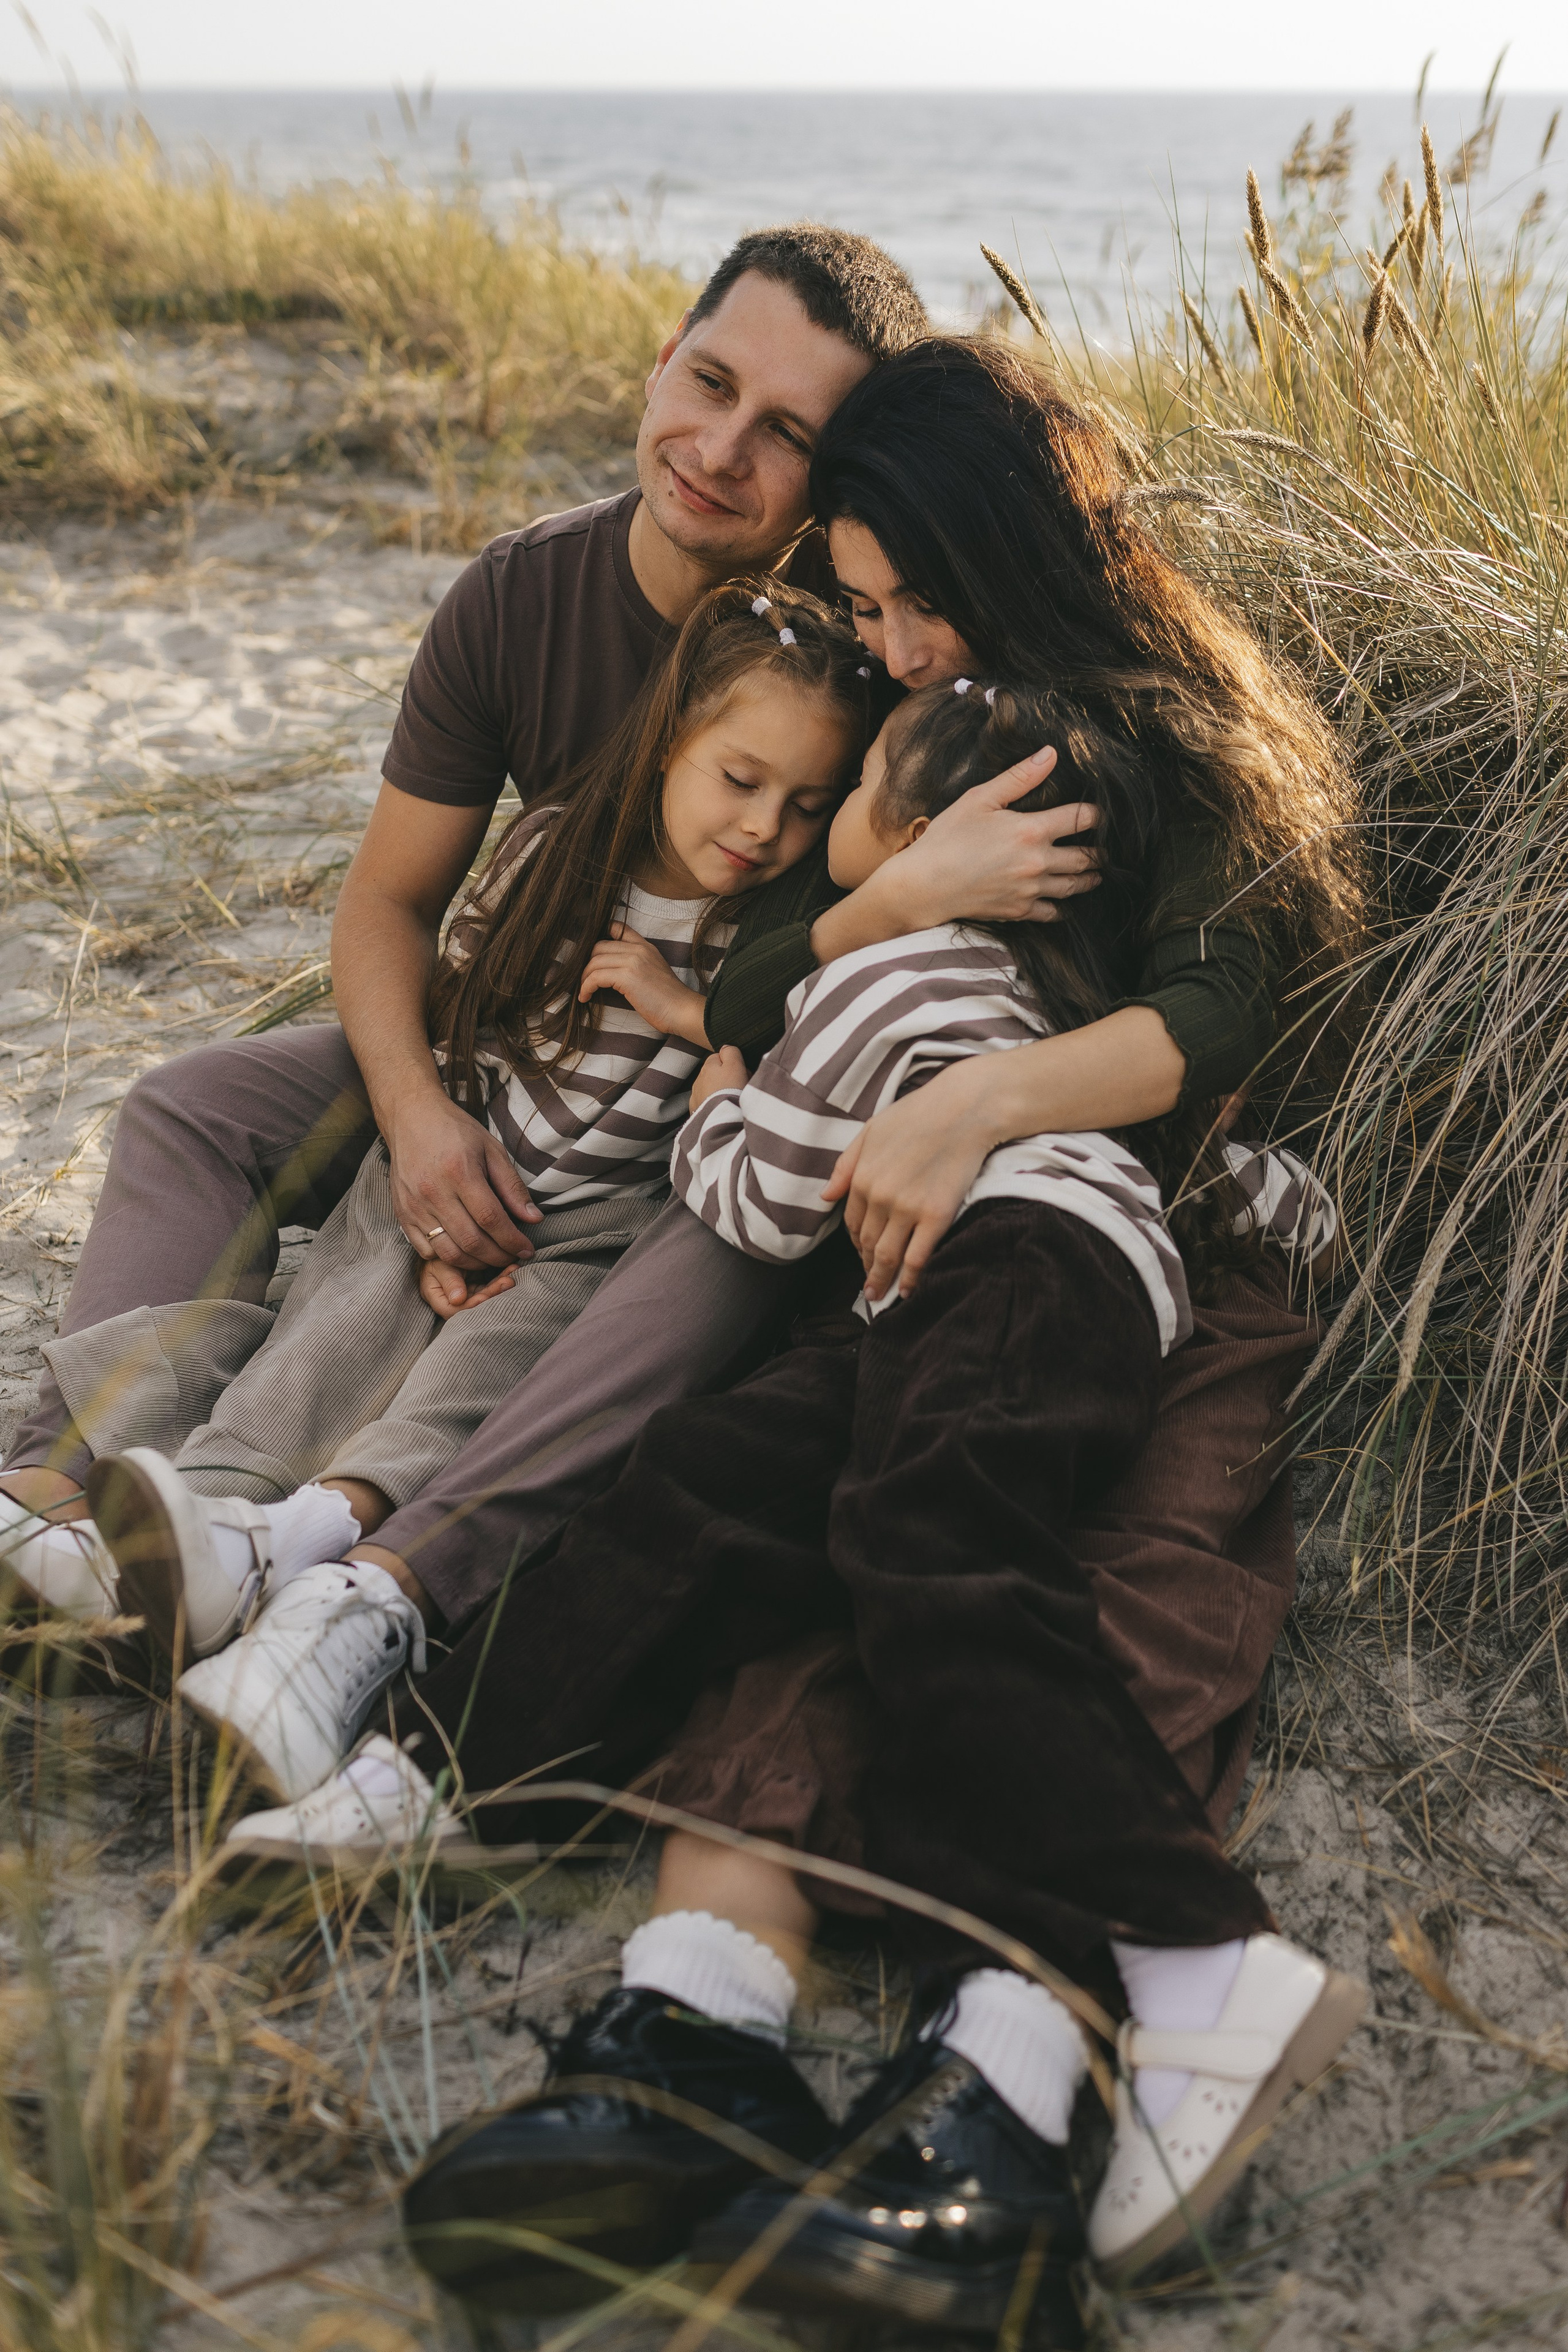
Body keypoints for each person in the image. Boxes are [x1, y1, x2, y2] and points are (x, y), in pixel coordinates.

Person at [227, 347, 1365, 2321]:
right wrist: (888, 896)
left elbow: (1211, 1022)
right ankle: (551, 1874)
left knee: (1007, 1560)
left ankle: (1096, 2015)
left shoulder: (1122, 747)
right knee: (741, 1505)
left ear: (1020, 549)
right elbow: (757, 972)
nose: (894, 642)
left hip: (1098, 1234)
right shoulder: (914, 753)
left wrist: (959, 1100)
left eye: (917, 594)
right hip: (906, 1251)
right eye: (861, 600)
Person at [1, 225, 1095, 1692]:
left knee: (707, 1230)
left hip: (704, 1107)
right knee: (196, 1102)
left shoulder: (864, 652)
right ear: (660, 361)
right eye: (706, 383)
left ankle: (391, 1563)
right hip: (521, 1046)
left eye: (783, 435)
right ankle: (70, 1491)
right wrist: (421, 1122)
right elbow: (389, 906)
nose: (717, 448)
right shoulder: (521, 596)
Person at [72, 584, 880, 1801]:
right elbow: (469, 1023)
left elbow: (738, 1089)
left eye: (806, 803)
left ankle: (324, 1540)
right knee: (339, 1320)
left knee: (470, 1377)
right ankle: (201, 1528)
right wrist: (433, 1183)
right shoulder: (556, 854)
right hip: (470, 1153)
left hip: (598, 1228)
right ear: (670, 741)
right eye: (739, 778)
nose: (765, 825)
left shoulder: (770, 931)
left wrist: (689, 1011)